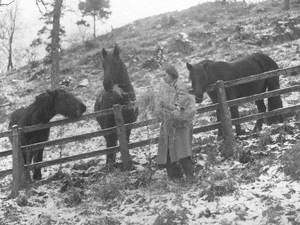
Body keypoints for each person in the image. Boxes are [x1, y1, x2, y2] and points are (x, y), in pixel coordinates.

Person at [154, 64, 196, 181]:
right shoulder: (168, 86)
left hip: (180, 124)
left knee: (182, 150)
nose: (164, 77)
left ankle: (190, 176)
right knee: (169, 151)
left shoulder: (179, 85)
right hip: (170, 124)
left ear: (172, 74)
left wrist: (173, 107)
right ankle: (175, 176)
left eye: (166, 75)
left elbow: (182, 99)